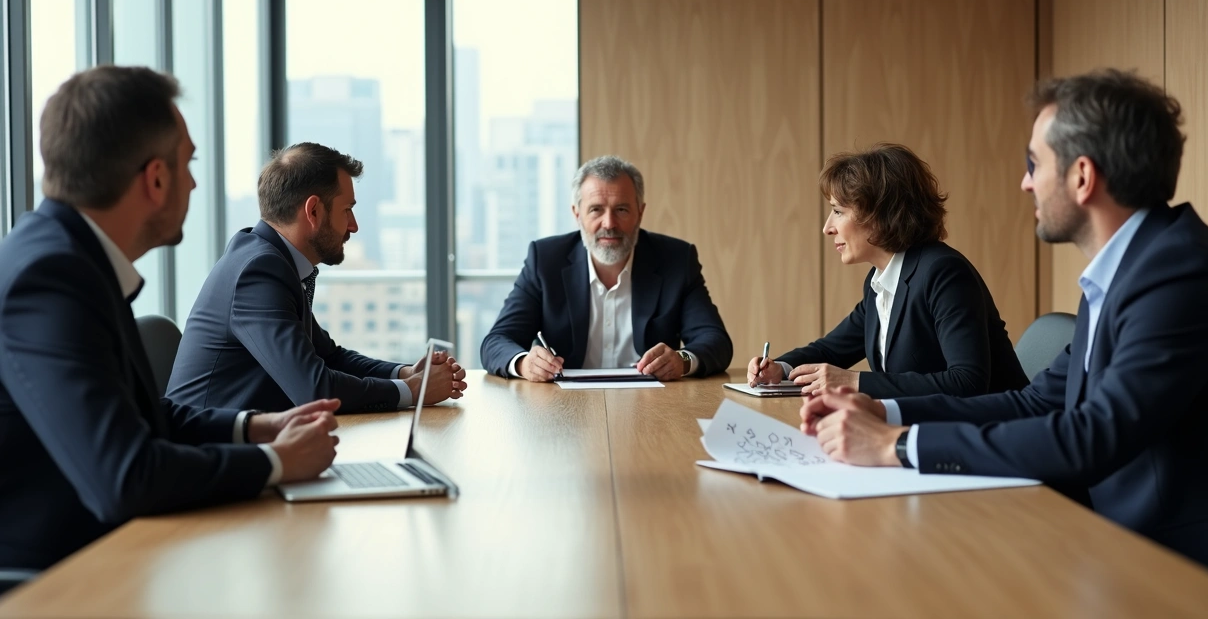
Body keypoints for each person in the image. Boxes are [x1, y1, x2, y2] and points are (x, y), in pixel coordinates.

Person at [799, 69, 1208, 568]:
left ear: (1082, 177)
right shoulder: (1131, 268)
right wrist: (885, 413)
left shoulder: (1178, 272)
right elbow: (1037, 401)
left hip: (1165, 562)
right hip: (1101, 532)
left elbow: (1094, 435)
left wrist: (899, 445)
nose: (1024, 183)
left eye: (1033, 163)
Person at [0, 67, 340, 571]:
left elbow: (143, 417)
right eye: (189, 163)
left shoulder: (70, 257)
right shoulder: (51, 277)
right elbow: (126, 477)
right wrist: (278, 462)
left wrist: (258, 427)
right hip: (57, 581)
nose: (196, 181)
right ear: (156, 179)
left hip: (113, 555)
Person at [167, 143, 467, 414]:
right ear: (313, 211)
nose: (354, 226)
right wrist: (414, 391)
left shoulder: (271, 260)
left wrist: (405, 373)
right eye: (347, 210)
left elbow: (329, 357)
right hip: (213, 454)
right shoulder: (258, 272)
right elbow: (314, 388)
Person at [748, 144, 1028, 398]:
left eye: (838, 211)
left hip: (993, 435)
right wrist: (780, 369)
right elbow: (831, 350)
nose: (827, 227)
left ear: (881, 215)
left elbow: (968, 382)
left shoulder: (943, 273)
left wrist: (856, 382)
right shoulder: (880, 280)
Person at [481, 155, 733, 381]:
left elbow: (716, 341)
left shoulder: (676, 260)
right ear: (577, 214)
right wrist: (525, 363)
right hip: (565, 409)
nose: (609, 223)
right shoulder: (546, 260)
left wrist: (683, 360)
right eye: (596, 210)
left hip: (653, 405)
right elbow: (497, 341)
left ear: (640, 212)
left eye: (621, 209)